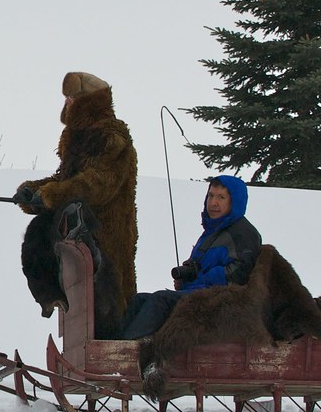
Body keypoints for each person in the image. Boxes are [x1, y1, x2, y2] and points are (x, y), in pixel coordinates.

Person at [14, 71, 138, 331]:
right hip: (76, 224)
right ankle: (52, 297)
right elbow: (65, 178)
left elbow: (97, 184)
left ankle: (112, 349)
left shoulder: (112, 137)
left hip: (103, 231)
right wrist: (32, 192)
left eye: (72, 97)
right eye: (66, 97)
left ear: (88, 101)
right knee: (38, 233)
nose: (67, 102)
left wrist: (52, 194)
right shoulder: (76, 138)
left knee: (108, 300)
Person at [120, 175, 261, 340]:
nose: (213, 202)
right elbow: (200, 265)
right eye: (211, 195)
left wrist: (202, 278)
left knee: (160, 300)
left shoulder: (243, 232)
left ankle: (125, 352)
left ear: (234, 201)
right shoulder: (213, 231)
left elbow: (240, 273)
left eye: (221, 197)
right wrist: (187, 277)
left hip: (220, 301)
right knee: (139, 300)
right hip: (200, 292)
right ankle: (110, 346)